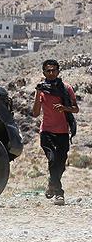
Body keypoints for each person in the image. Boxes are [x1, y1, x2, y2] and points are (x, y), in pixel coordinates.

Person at [32, 59, 79, 206]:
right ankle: (59, 193)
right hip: (46, 131)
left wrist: (64, 108)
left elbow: (75, 108)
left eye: (54, 70)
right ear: (44, 72)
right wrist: (38, 93)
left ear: (58, 71)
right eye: (48, 71)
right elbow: (34, 113)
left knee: (60, 164)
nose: (51, 73)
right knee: (52, 160)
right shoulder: (41, 90)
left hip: (63, 132)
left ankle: (52, 183)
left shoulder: (66, 88)